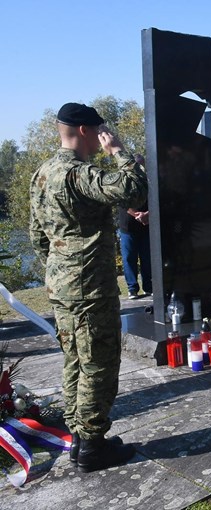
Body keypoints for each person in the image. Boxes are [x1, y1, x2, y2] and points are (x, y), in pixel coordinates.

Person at [29, 103, 148, 472]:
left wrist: (62, 266)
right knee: (99, 361)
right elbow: (134, 190)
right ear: (85, 131)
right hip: (90, 286)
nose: (103, 137)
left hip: (61, 285)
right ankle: (93, 446)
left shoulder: (42, 173)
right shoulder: (79, 173)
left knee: (75, 360)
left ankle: (80, 438)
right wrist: (119, 153)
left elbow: (38, 236)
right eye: (100, 131)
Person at [117, 197, 152, 299]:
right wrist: (139, 216)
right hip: (127, 228)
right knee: (129, 258)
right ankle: (132, 289)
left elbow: (158, 199)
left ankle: (149, 287)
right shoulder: (124, 183)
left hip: (147, 227)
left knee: (147, 257)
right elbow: (120, 200)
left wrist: (147, 214)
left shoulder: (149, 182)